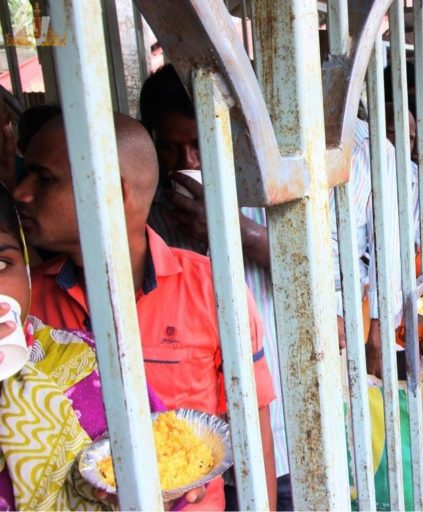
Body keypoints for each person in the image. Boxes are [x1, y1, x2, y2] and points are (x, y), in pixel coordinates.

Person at [13, 114, 276, 511]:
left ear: (112, 194)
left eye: (44, 179)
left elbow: (254, 434)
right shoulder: (25, 301)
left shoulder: (213, 289)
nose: (20, 192)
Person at [139, 64, 289, 511]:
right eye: (170, 147)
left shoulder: (270, 197)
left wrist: (237, 231)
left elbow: (322, 282)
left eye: (198, 144)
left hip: (273, 429)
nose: (187, 162)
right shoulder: (145, 216)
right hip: (185, 440)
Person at [0, 185, 204, 510]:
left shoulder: (86, 361)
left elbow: (163, 467)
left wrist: (164, 493)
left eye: (1, 263)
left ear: (25, 270)